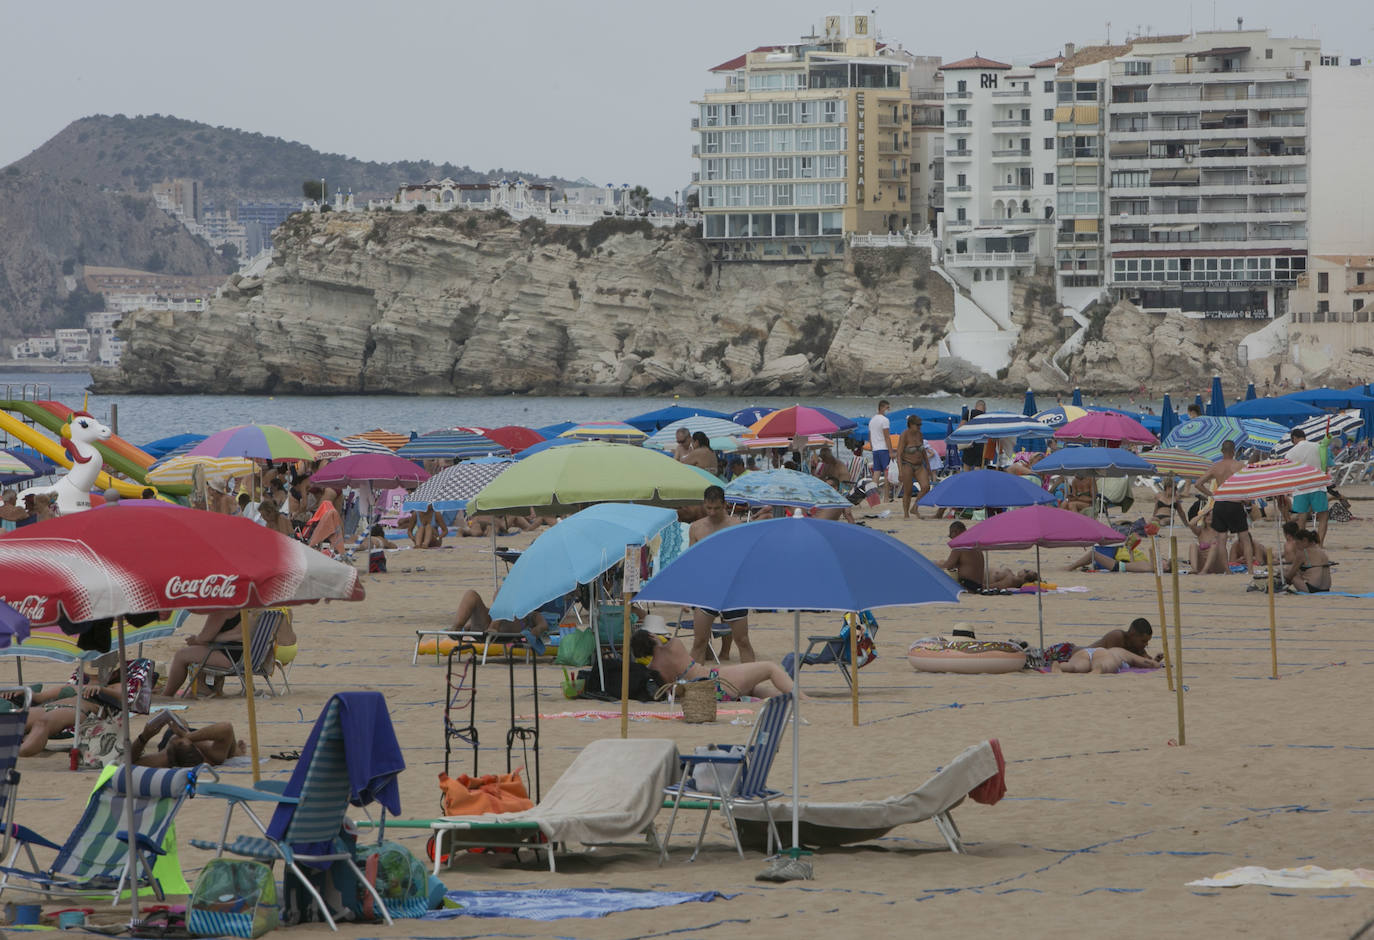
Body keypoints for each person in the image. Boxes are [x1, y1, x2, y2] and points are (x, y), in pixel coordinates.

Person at [630, 631, 796, 700]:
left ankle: (787, 698)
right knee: (770, 668)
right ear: (651, 636)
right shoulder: (674, 644)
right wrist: (656, 638)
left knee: (753, 689)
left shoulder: (653, 667)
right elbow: (662, 640)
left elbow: (670, 691)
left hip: (706, 695)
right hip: (715, 679)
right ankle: (803, 699)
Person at [688, 485, 752, 663]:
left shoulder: (736, 525)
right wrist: (687, 595)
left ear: (724, 505)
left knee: (743, 641)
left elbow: (745, 559)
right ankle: (693, 685)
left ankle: (751, 686)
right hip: (706, 589)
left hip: (732, 588)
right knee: (699, 641)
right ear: (704, 505)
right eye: (708, 508)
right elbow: (691, 562)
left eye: (716, 508)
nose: (712, 512)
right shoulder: (696, 528)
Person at [1192, 439, 1257, 575]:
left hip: (1220, 503)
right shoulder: (1239, 466)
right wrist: (1247, 501)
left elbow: (1198, 484)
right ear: (1234, 451)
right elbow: (1249, 485)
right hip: (1234, 502)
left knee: (1221, 539)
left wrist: (1212, 494)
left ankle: (1227, 570)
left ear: (1222, 451)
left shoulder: (1216, 467)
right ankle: (1250, 570)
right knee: (1244, 538)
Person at [159, 610, 246, 698]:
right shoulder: (245, 609)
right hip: (245, 656)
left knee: (181, 655)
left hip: (231, 657)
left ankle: (167, 694)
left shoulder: (221, 610)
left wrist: (194, 640)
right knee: (198, 651)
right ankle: (202, 687)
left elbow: (205, 637)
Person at [131, 712, 245, 767]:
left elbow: (129, 762)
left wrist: (144, 737)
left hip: (178, 744)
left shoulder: (163, 759)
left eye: (176, 739)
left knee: (179, 722)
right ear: (196, 747)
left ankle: (182, 725)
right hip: (196, 737)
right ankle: (235, 750)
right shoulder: (214, 755)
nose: (177, 736)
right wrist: (188, 736)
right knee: (230, 749)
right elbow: (226, 727)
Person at [1285, 428, 1329, 544]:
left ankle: (1303, 545)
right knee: (1323, 516)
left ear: (1294, 438)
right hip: (1317, 485)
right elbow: (1325, 465)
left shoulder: (1290, 453)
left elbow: (1289, 473)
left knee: (1302, 518)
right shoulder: (1317, 446)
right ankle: (1319, 545)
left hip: (1300, 488)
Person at [895, 416, 931, 519]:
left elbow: (923, 450)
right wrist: (900, 471)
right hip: (907, 464)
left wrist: (928, 465)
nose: (920, 427)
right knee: (908, 491)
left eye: (920, 425)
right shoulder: (904, 435)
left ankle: (915, 507)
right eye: (918, 425)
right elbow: (899, 454)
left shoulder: (919, 434)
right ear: (911, 425)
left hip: (919, 465)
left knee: (926, 487)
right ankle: (906, 514)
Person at [938, 520, 985, 592]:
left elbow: (947, 566)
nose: (951, 539)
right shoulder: (974, 545)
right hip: (979, 585)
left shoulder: (959, 546)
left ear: (955, 532)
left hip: (967, 585)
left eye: (951, 536)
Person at [1085, 618, 1161, 660]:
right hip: (1077, 654)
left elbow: (1146, 659)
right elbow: (1113, 659)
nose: (1146, 644)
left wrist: (1155, 660)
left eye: (1147, 641)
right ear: (1132, 635)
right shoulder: (1117, 636)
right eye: (1143, 641)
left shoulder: (1137, 646)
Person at [1056, 645, 1163, 674]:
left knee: (1075, 667)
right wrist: (1156, 663)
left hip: (1084, 652)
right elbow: (1148, 663)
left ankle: (1060, 666)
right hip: (1104, 655)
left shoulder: (1116, 649)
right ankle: (1098, 669)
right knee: (1104, 666)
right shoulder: (1122, 652)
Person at [1284, 529, 1333, 593]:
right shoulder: (1321, 551)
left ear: (1304, 540)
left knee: (1287, 571)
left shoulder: (1303, 553)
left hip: (1311, 588)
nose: (1297, 547)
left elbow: (1290, 575)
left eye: (1298, 543)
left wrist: (1284, 578)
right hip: (1326, 589)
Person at [305, 487, 345, 555]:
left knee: (322, 516)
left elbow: (304, 503)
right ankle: (341, 543)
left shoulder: (303, 483)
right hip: (333, 487)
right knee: (336, 516)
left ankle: (314, 543)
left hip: (328, 491)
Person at [868, 400, 891, 502]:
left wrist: (872, 448)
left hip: (876, 449)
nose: (888, 410)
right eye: (887, 408)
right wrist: (891, 451)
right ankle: (886, 498)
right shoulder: (884, 420)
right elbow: (887, 437)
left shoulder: (872, 420)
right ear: (882, 408)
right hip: (883, 449)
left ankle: (873, 498)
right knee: (887, 473)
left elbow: (870, 436)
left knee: (876, 473)